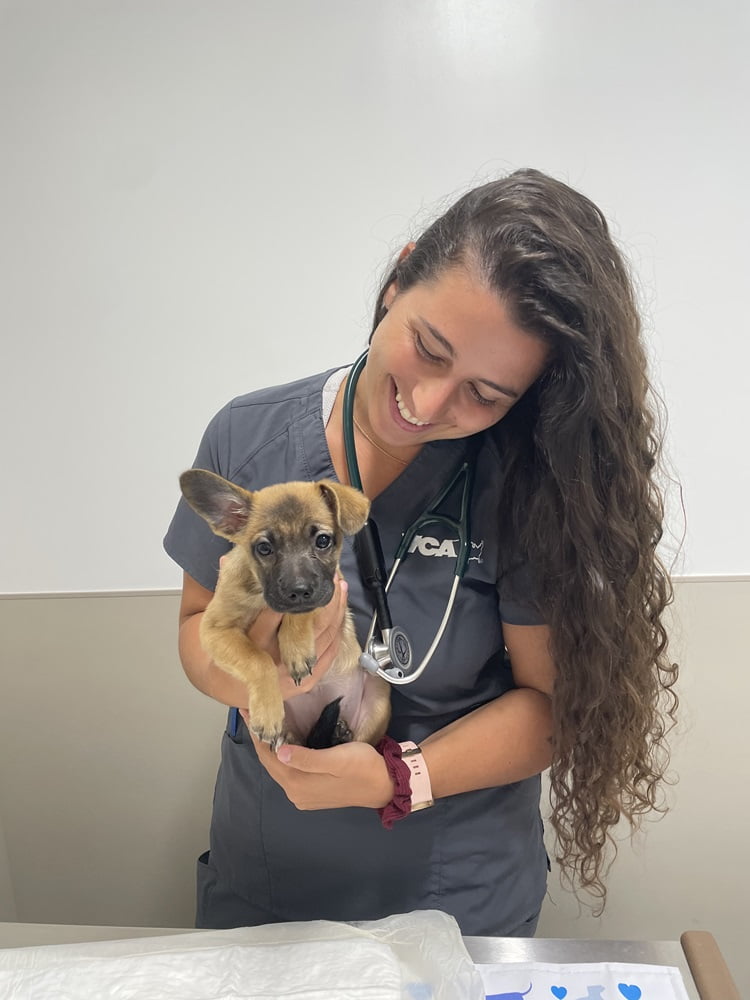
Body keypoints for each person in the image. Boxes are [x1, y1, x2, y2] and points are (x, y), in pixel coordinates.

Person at [164, 167, 678, 937]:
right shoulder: (248, 434)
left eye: (486, 394)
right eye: (429, 348)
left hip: (454, 900)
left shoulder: (529, 486)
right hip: (267, 887)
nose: (430, 406)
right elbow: (197, 625)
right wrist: (262, 681)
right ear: (396, 282)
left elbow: (552, 708)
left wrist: (398, 777)